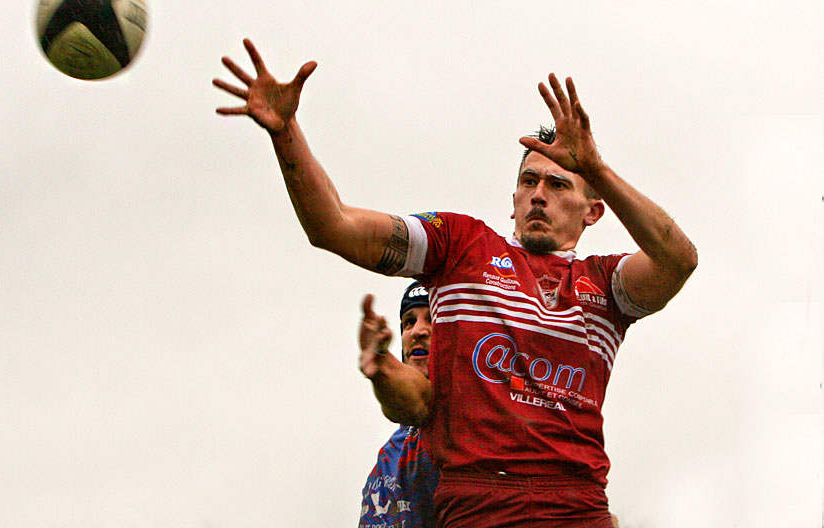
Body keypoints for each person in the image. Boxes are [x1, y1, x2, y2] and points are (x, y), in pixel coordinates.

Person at [213, 40, 698, 527]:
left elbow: (679, 260)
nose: (537, 195)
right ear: (511, 198)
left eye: (557, 184)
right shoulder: (461, 245)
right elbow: (334, 227)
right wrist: (286, 133)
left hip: (577, 507)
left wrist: (596, 169)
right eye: (528, 182)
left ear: (593, 210)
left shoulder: (606, 285)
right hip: (476, 506)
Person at [357, 281, 439, 528]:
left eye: (432, 318)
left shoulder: (489, 413)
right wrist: (381, 368)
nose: (418, 331)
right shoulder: (390, 456)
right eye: (409, 322)